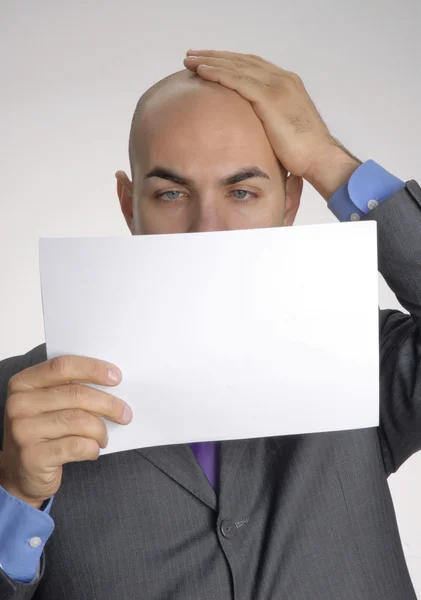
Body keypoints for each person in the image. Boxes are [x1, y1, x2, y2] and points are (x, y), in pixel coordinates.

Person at [0, 49, 420, 600]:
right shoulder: (20, 405)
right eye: (171, 193)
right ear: (129, 206)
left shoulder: (365, 355)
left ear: (290, 201)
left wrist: (327, 160)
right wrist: (14, 500)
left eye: (242, 192)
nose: (208, 230)